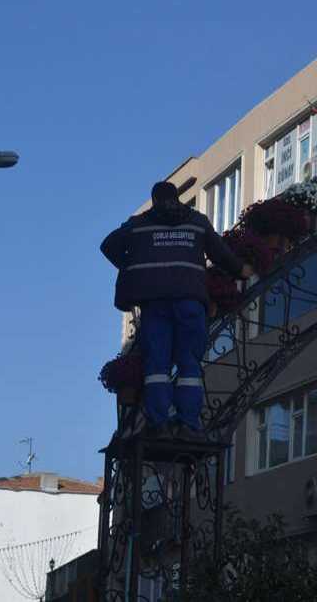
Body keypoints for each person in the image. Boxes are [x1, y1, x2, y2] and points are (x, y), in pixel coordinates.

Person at [101, 181, 251, 440]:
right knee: (189, 364)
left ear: (154, 200)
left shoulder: (138, 224)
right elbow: (221, 255)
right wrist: (243, 270)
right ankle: (188, 424)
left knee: (157, 365)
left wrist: (133, 264)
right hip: (189, 300)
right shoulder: (197, 221)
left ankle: (159, 423)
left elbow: (108, 246)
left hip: (155, 302)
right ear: (178, 197)